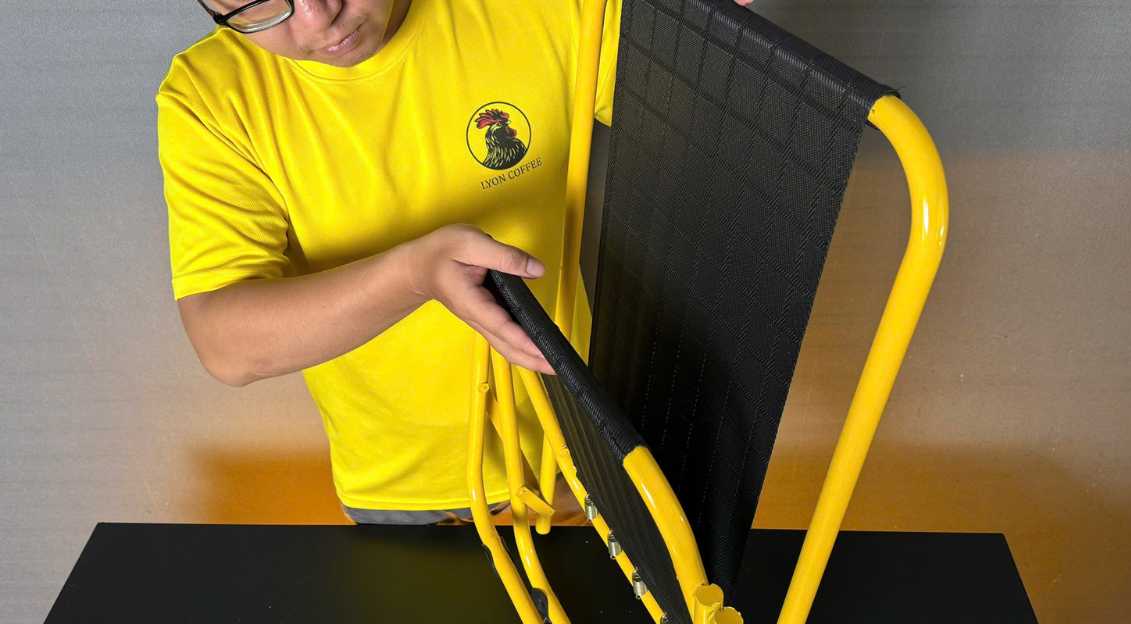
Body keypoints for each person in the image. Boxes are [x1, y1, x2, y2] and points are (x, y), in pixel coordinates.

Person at [155, 0, 749, 526]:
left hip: (590, 453)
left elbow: (721, 109)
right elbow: (226, 344)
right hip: (405, 492)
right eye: (254, 2)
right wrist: (416, 276)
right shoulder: (211, 95)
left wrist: (719, 36)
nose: (317, 17)